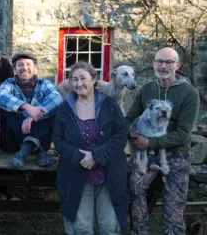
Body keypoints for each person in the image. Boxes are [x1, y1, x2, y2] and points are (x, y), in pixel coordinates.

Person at [126, 47, 199, 235]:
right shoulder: (147, 89)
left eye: (169, 62)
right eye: (159, 61)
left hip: (176, 154)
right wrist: (128, 134)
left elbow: (184, 134)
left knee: (173, 208)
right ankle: (139, 231)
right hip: (147, 154)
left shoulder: (189, 92)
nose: (163, 66)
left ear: (177, 66)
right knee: (135, 187)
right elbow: (130, 117)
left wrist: (149, 142)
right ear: (153, 64)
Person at [53, 61, 128, 235]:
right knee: (82, 228)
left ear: (94, 79)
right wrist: (80, 157)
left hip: (109, 172)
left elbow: (121, 134)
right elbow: (58, 139)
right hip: (77, 174)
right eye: (74, 79)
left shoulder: (109, 105)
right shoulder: (65, 109)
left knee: (109, 227)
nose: (79, 84)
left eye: (83, 78)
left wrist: (97, 155)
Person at [0, 52, 63, 168]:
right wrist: (27, 107)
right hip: (13, 142)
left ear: (35, 68)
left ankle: (22, 153)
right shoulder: (8, 84)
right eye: (20, 65)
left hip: (41, 139)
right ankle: (39, 151)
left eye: (28, 64)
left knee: (51, 110)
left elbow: (58, 99)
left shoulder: (44, 84)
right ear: (15, 69)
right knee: (7, 107)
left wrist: (34, 116)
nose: (24, 68)